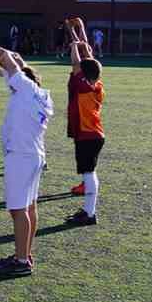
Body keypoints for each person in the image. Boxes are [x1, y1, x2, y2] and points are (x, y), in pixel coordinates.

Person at [0, 45, 53, 276]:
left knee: (18, 209)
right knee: (29, 207)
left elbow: (10, 62)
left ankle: (22, 262)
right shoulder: (41, 96)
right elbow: (12, 66)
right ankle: (24, 254)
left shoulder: (24, 88)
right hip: (32, 154)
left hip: (21, 156)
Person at [63, 17, 104, 226]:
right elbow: (88, 57)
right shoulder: (96, 85)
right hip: (94, 134)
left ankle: (89, 213)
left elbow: (77, 61)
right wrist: (78, 30)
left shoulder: (82, 86)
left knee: (89, 173)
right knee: (89, 172)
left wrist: (73, 39)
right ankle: (88, 211)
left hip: (87, 135)